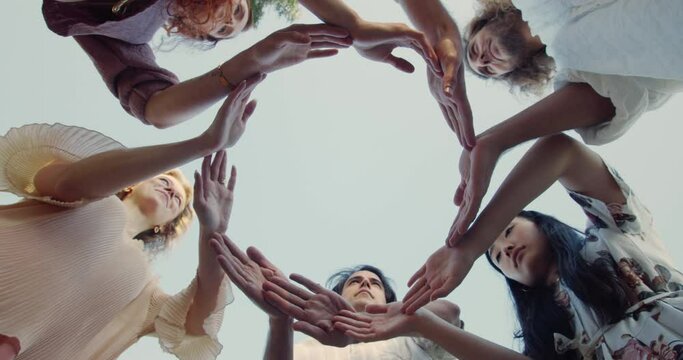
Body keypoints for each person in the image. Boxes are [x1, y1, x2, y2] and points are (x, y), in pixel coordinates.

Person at [0, 75, 264, 360]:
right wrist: (202, 144)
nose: (173, 189)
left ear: (167, 226)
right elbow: (65, 181)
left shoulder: (144, 290)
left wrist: (212, 231)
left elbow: (195, 325)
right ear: (131, 184)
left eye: (181, 200)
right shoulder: (86, 198)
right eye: (165, 179)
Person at [399, 134, 683, 359]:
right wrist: (422, 323)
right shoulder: (547, 334)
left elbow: (563, 151)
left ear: (541, 224)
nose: (506, 249)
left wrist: (469, 248)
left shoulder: (613, 234)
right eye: (497, 256)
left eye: (508, 231)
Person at [447, 0, 683, 236]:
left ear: (486, 21)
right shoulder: (576, 61)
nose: (483, 60)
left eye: (474, 50)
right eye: (487, 70)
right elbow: (615, 95)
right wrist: (494, 141)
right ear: (514, 72)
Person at [42, 0, 438, 127]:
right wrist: (354, 25)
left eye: (228, 30)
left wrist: (249, 62)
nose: (229, 20)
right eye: (236, 8)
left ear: (195, 34)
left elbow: (157, 109)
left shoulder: (128, 34)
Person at [211, 235, 462, 359]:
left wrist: (399, 320)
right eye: (355, 281)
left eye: (375, 283)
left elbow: (450, 313)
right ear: (336, 296)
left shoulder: (412, 338)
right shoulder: (303, 350)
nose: (365, 282)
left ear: (388, 301)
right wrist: (280, 321)